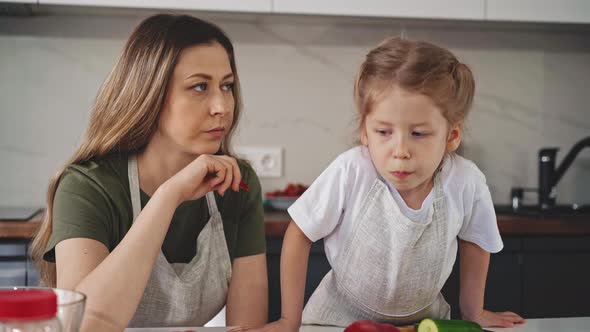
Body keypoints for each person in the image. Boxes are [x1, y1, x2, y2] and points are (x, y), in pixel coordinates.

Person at [244, 37, 525, 331]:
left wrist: (474, 312)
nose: (400, 150)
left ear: (452, 136)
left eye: (418, 134)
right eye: (383, 131)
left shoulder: (466, 182)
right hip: (337, 321)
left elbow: (476, 243)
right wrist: (289, 320)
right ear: (364, 131)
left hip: (425, 323)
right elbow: (299, 233)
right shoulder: (351, 170)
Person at [30, 14, 268, 331]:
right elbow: (83, 326)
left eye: (226, 86)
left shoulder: (237, 182)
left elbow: (248, 327)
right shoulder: (87, 185)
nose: (221, 106)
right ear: (149, 93)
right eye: (199, 86)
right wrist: (169, 196)